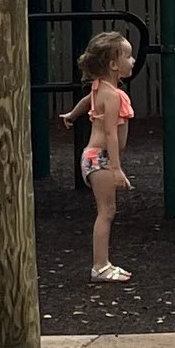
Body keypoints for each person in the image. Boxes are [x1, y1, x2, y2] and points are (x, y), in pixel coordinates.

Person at [65, 27, 137, 283]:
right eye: (128, 57)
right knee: (106, 211)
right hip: (101, 158)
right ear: (113, 65)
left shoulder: (99, 88)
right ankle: (100, 266)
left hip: (92, 156)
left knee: (106, 210)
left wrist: (72, 115)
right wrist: (116, 168)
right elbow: (110, 134)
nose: (133, 61)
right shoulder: (113, 95)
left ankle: (102, 264)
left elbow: (87, 101)